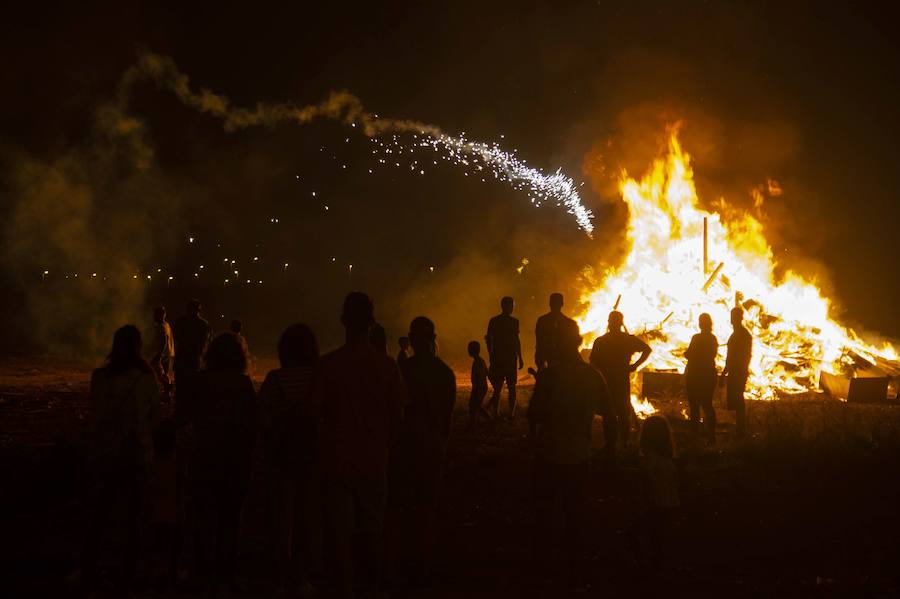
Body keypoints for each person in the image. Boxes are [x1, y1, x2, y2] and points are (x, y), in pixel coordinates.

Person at [313, 292, 405, 598]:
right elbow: (397, 419)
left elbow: (315, 417)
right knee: (371, 532)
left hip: (338, 459)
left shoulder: (329, 366)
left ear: (343, 321)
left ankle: (343, 589)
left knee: (339, 535)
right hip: (374, 458)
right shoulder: (388, 367)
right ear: (372, 323)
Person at [527, 327, 610, 584]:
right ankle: (575, 568)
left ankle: (547, 569)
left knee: (549, 511)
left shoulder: (550, 376)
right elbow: (609, 413)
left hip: (551, 453)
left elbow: (534, 414)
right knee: (576, 512)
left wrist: (534, 443)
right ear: (577, 343)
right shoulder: (592, 375)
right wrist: (612, 451)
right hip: (579, 453)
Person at [83, 325, 159, 594]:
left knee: (101, 514)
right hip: (136, 455)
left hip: (105, 454)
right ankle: (129, 572)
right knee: (134, 517)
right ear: (138, 346)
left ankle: (92, 568)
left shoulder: (99, 378)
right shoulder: (146, 380)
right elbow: (155, 416)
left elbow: (96, 414)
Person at [188, 332, 257, 597]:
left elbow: (187, 416)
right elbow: (253, 425)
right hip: (234, 463)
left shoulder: (200, 382)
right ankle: (225, 579)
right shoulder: (243, 384)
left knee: (204, 521)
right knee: (230, 523)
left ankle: (202, 578)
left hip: (204, 460)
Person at [390, 317, 456, 587]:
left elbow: (394, 409)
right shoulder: (443, 372)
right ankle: (422, 566)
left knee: (399, 508)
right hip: (431, 445)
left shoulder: (402, 370)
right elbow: (447, 417)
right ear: (433, 338)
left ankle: (396, 566)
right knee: (426, 509)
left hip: (406, 446)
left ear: (412, 339)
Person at [258, 324, 322, 597]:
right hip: (311, 456)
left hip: (282, 456)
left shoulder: (274, 379)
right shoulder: (319, 378)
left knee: (283, 518)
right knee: (308, 517)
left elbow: (262, 420)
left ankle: (281, 575)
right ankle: (302, 574)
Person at [589, 311, 651, 459]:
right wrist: (634, 365)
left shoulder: (601, 341)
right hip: (621, 380)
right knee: (623, 413)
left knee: (609, 413)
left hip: (607, 381)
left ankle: (611, 445)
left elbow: (593, 362)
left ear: (609, 322)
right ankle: (624, 443)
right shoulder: (626, 339)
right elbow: (647, 350)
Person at [632, 415, 678, 574]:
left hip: (654, 504)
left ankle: (647, 571)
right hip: (669, 504)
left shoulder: (650, 460)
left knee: (645, 537)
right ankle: (659, 569)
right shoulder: (669, 461)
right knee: (660, 539)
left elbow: (646, 480)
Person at [146, 417, 179, 591]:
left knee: (156, 547)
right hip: (171, 515)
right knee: (167, 547)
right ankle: (165, 576)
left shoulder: (153, 469)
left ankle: (154, 576)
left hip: (156, 516)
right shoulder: (175, 470)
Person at [485, 296, 524, 420]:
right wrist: (520, 356)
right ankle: (506, 414)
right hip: (505, 358)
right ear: (504, 306)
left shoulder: (496, 320)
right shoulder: (511, 321)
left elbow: (489, 340)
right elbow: (489, 339)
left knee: (501, 387)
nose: (512, 308)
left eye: (513, 305)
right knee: (506, 387)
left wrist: (520, 356)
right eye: (511, 305)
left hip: (503, 357)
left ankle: (501, 413)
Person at [172, 299, 211, 417]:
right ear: (199, 310)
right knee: (193, 390)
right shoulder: (204, 324)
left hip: (182, 360)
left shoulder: (180, 322)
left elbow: (176, 338)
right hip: (195, 361)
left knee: (181, 391)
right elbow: (207, 343)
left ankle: (180, 413)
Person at [684, 313, 718, 446]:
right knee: (708, 405)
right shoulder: (713, 338)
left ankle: (695, 436)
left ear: (701, 324)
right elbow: (712, 355)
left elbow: (689, 354)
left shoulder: (697, 338)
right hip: (709, 375)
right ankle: (711, 436)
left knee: (694, 406)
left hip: (696, 375)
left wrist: (687, 354)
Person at [723, 306, 753, 436]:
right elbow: (730, 356)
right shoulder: (736, 334)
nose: (732, 319)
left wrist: (742, 370)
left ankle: (742, 428)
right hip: (735, 370)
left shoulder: (743, 335)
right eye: (731, 316)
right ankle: (740, 427)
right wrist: (725, 371)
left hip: (738, 371)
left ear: (739, 318)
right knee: (736, 398)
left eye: (734, 316)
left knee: (739, 398)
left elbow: (745, 355)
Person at [534, 293, 579, 371]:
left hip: (555, 357)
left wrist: (539, 359)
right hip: (559, 358)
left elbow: (539, 341)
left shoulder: (542, 320)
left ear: (549, 304)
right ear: (562, 304)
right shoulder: (569, 323)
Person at [149, 306, 175, 392]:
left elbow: (164, 342)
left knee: (157, 373)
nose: (154, 316)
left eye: (155, 314)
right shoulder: (166, 325)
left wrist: (159, 355)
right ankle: (168, 393)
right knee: (164, 374)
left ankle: (168, 386)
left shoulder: (161, 326)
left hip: (163, 354)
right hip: (168, 353)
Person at [467, 341, 489, 428]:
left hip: (479, 387)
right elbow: (487, 373)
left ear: (472, 351)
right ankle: (488, 419)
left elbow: (479, 377)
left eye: (469, 349)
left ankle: (473, 424)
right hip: (481, 387)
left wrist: (476, 389)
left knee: (473, 407)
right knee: (476, 406)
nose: (468, 351)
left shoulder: (477, 362)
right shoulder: (480, 361)